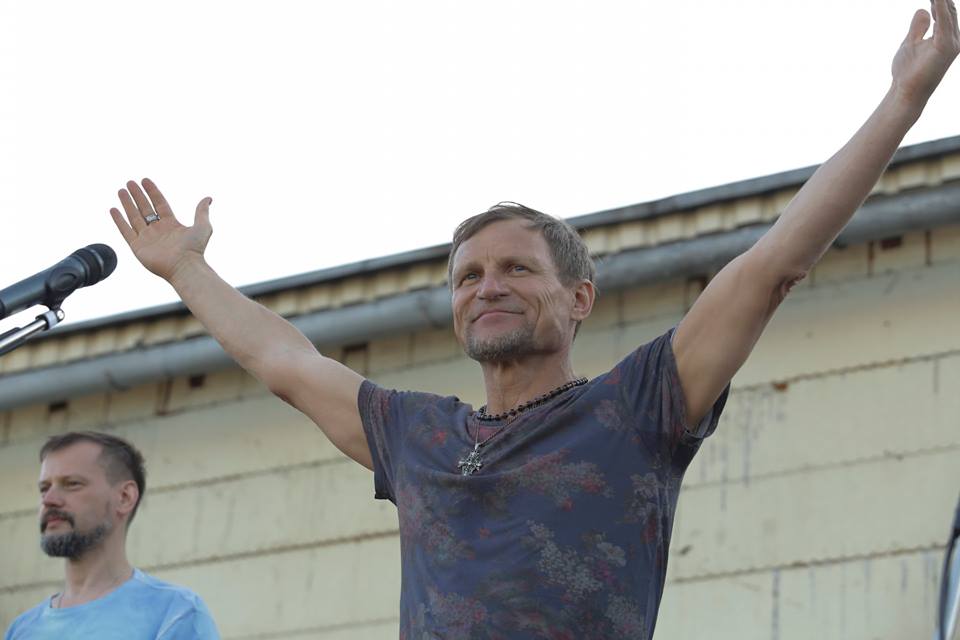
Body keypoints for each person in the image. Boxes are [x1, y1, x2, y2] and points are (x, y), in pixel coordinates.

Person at [106, 3, 959, 637]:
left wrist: (902, 103)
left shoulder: (639, 405)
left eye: (517, 268)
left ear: (579, 297)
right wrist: (187, 269)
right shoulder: (415, 436)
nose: (488, 288)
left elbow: (771, 269)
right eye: (468, 277)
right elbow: (285, 361)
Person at [4, 432, 220, 640]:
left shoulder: (175, 613)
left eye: (72, 484)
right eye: (44, 488)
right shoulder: (21, 630)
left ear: (124, 497)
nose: (48, 500)